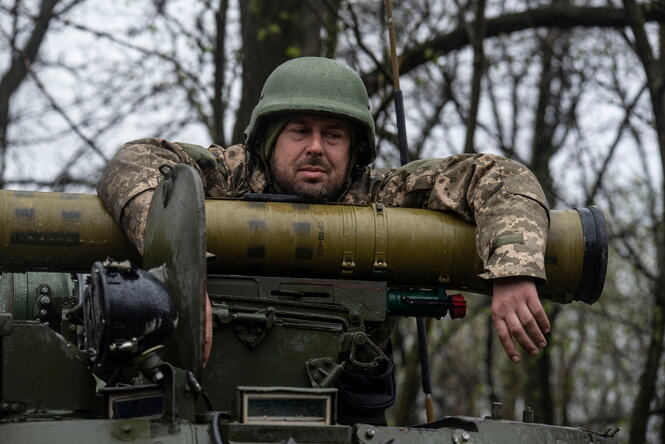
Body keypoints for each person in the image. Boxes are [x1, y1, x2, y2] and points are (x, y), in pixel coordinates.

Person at [97, 56, 551, 424]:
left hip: (344, 406)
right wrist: (183, 269)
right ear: (269, 139)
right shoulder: (226, 176)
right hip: (204, 399)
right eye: (300, 131)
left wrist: (513, 267)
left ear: (354, 150)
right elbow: (132, 162)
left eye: (332, 135)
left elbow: (496, 175)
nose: (315, 147)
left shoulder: (383, 194)